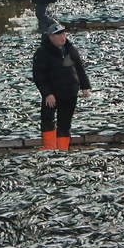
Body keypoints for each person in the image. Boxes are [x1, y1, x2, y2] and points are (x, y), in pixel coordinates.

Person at [32, 22, 90, 151]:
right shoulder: (42, 52)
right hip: (52, 94)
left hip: (70, 93)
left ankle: (63, 149)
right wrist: (46, 93)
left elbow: (80, 69)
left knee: (65, 121)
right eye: (59, 35)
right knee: (47, 119)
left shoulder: (71, 49)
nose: (62, 37)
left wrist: (84, 86)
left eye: (64, 34)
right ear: (51, 37)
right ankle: (49, 147)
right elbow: (38, 75)